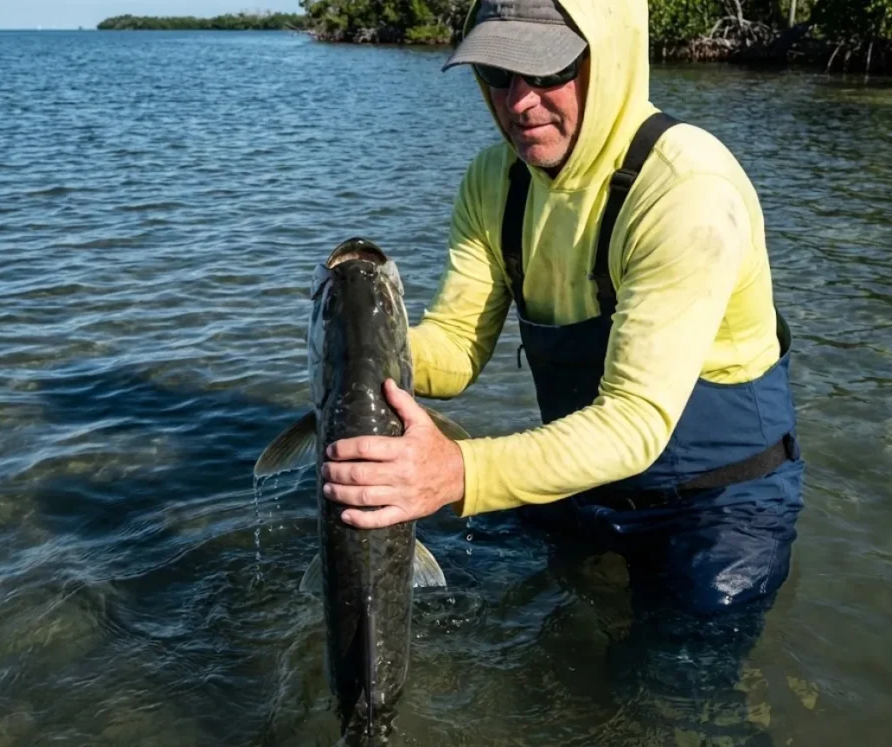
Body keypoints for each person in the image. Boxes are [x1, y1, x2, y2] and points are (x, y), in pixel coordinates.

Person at [321, 0, 804, 735]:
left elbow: (637, 422)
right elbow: (455, 342)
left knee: (671, 698)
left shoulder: (686, 189)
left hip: (721, 509)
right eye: (496, 72)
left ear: (606, 56)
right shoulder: (496, 182)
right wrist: (361, 353)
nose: (520, 102)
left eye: (547, 69)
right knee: (458, 567)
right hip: (588, 484)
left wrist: (455, 473)